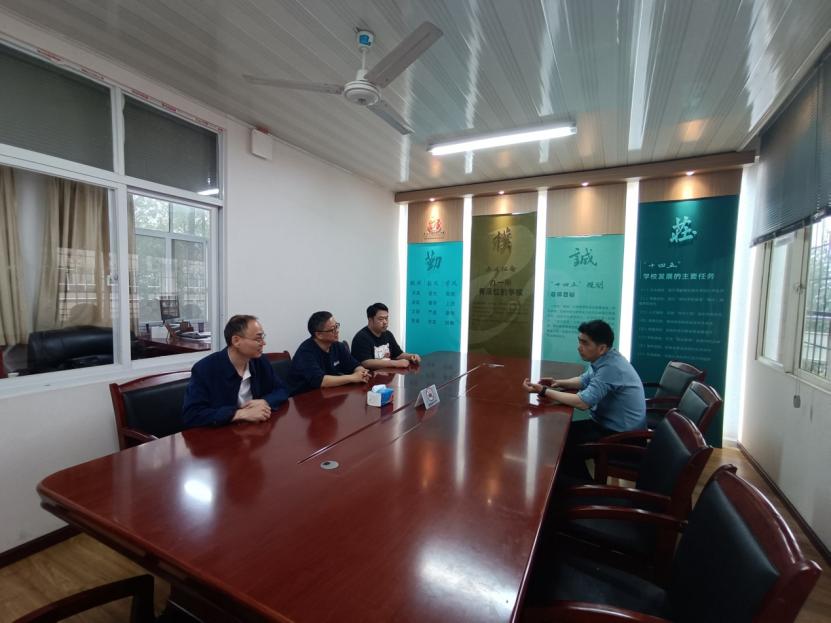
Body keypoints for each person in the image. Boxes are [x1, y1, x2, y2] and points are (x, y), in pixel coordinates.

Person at [522, 319, 646, 478]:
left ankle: (582, 488)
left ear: (602, 348)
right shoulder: (606, 357)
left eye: (585, 343)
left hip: (624, 439)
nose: (579, 347)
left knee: (560, 448)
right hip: (607, 427)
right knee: (559, 437)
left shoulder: (611, 368)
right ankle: (577, 484)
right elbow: (584, 380)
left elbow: (582, 402)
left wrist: (545, 391)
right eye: (579, 341)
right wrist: (557, 383)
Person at [182, 315, 289, 428]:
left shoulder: (260, 361)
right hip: (222, 433)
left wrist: (265, 401)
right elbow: (191, 415)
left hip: (255, 429)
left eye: (262, 337)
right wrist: (238, 414)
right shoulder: (205, 369)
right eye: (258, 339)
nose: (263, 343)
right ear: (236, 341)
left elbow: (282, 389)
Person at [287, 311, 371, 395]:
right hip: (305, 396)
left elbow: (354, 365)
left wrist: (361, 372)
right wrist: (353, 377)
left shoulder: (338, 346)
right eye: (332, 329)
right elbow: (321, 381)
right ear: (319, 335)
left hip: (329, 392)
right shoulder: (305, 352)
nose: (337, 331)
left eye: (337, 326)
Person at [350, 302, 421, 370]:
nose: (385, 322)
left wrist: (411, 356)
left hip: (387, 374)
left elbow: (398, 354)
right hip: (370, 376)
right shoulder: (361, 337)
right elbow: (366, 363)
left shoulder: (388, 334)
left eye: (386, 318)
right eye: (381, 319)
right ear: (370, 320)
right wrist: (395, 363)